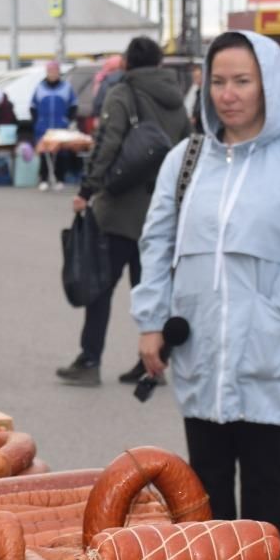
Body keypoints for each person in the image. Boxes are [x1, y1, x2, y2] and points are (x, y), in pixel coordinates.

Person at [132, 30, 280, 539]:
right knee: (203, 487)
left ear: (267, 84)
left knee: (265, 485)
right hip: (201, 351)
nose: (228, 94)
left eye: (242, 81)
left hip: (267, 354)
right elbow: (156, 245)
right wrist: (150, 322)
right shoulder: (185, 160)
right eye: (218, 81)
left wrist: (277, 309)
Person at [62, 36, 191, 387]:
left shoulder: (123, 93)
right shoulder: (177, 99)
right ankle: (150, 362)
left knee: (101, 287)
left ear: (127, 63)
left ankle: (89, 361)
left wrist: (87, 190)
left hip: (119, 211)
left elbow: (107, 144)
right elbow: (189, 150)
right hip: (161, 213)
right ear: (160, 63)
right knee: (151, 286)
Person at [31, 60, 76, 190]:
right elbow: (33, 106)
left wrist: (67, 119)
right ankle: (44, 178)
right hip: (43, 125)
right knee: (45, 152)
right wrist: (37, 121)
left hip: (60, 124)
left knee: (60, 153)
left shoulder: (66, 87)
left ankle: (60, 178)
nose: (52, 74)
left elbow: (73, 105)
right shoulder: (40, 87)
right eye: (50, 71)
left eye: (54, 71)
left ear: (58, 72)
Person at [184, 62, 204, 135]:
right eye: (194, 76)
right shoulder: (194, 89)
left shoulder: (206, 92)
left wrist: (196, 117)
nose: (195, 79)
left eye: (197, 76)